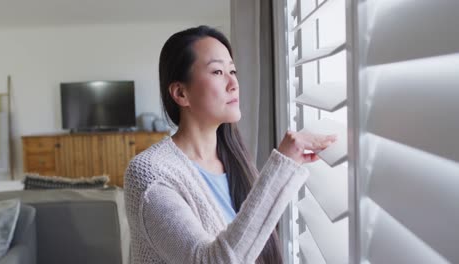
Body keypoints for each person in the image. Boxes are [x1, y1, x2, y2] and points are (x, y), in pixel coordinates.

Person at [124, 25, 336, 264]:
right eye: (217, 72)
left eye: (232, 71)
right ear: (180, 93)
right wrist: (283, 166)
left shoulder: (235, 161)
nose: (233, 83)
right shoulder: (149, 175)